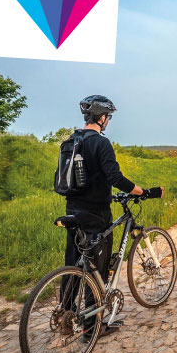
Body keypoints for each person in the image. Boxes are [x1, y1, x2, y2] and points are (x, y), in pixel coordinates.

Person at [64, 95, 146, 332]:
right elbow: (115, 177)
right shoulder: (101, 143)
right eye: (108, 117)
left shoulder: (72, 140)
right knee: (96, 267)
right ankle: (92, 326)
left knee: (74, 263)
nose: (108, 120)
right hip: (96, 213)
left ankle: (66, 314)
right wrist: (141, 190)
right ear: (102, 118)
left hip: (73, 209)